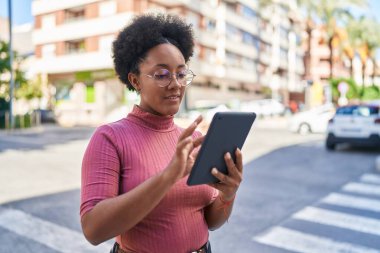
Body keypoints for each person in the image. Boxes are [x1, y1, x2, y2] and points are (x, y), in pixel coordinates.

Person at [80, 13, 244, 253]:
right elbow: (93, 230)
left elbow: (211, 221)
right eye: (162, 74)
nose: (175, 83)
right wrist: (169, 175)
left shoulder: (193, 139)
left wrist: (227, 195)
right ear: (135, 81)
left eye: (180, 73)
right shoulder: (110, 138)